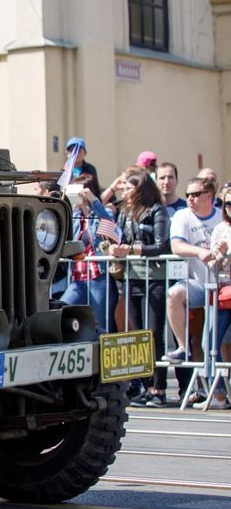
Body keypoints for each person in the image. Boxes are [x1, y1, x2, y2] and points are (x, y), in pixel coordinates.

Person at [107, 170, 170, 406]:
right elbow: (119, 238)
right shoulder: (124, 212)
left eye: (128, 189)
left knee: (153, 333)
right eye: (123, 189)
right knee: (138, 335)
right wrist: (114, 248)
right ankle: (145, 386)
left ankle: (159, 388)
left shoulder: (157, 210)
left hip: (154, 278)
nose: (124, 192)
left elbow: (162, 245)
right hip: (131, 277)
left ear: (140, 189)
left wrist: (132, 250)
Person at [166, 176, 222, 366]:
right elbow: (176, 245)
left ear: (209, 196)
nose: (190, 198)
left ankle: (220, 383)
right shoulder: (182, 215)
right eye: (188, 194)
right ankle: (183, 348)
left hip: (224, 285)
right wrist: (199, 251)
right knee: (174, 294)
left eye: (196, 194)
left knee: (215, 343)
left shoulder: (222, 216)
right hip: (200, 283)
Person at [60, 187, 117, 333]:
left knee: (101, 323)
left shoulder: (98, 216)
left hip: (98, 278)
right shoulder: (76, 218)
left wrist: (94, 201)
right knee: (62, 310)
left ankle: (103, 346)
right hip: (78, 279)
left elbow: (112, 228)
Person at [200, 183, 231, 409]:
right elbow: (211, 264)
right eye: (228, 204)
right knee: (209, 343)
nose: (230, 208)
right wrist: (218, 256)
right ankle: (219, 393)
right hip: (223, 292)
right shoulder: (220, 228)